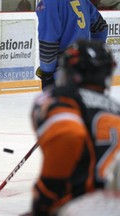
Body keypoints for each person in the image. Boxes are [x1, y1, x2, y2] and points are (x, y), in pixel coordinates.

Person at [27, 40, 120, 216]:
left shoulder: (64, 98)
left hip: (84, 205)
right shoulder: (116, 109)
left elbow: (68, 135)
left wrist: (45, 197)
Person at [35, 0, 108, 90]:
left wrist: (47, 73)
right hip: (83, 68)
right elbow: (101, 27)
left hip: (62, 72)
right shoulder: (83, 1)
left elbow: (48, 43)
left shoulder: (49, 3)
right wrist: (92, 55)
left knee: (63, 103)